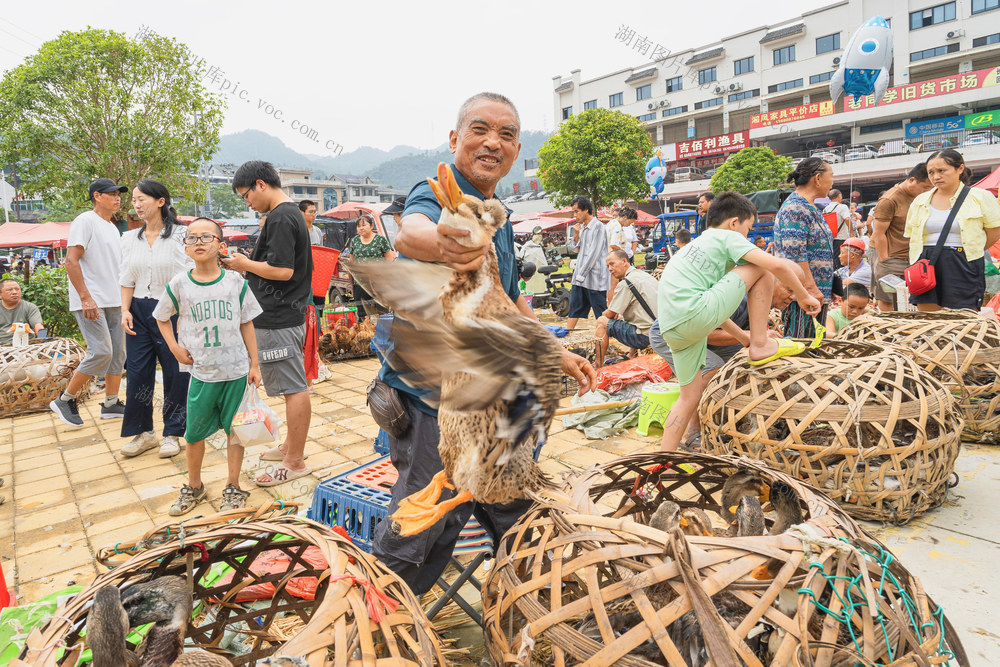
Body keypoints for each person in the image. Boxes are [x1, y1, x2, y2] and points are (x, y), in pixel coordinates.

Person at [372, 91, 596, 596]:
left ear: (517, 150)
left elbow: (511, 299)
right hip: (435, 406)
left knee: (516, 508)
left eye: (507, 134)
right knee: (421, 529)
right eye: (480, 129)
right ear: (455, 139)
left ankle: (530, 606)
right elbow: (412, 234)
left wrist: (553, 350)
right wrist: (453, 246)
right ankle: (373, 623)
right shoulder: (437, 194)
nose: (493, 142)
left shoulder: (502, 215)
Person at [657, 191, 821, 452]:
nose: (747, 235)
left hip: (673, 328)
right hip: (694, 314)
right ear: (734, 223)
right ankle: (760, 344)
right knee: (765, 266)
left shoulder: (696, 248)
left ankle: (662, 462)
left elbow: (711, 312)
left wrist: (741, 337)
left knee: (688, 398)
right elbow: (776, 266)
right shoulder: (727, 237)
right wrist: (804, 295)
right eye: (749, 228)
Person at [153, 218, 263, 515]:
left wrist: (255, 364)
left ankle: (232, 485)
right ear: (185, 247)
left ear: (221, 245)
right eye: (191, 238)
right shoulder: (179, 284)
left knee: (236, 432)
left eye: (206, 237)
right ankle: (194, 485)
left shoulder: (236, 283)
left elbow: (247, 323)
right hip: (202, 373)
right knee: (194, 434)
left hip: (237, 372)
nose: (198, 242)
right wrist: (175, 348)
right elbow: (162, 317)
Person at [224, 161, 313, 487]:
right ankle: (290, 446)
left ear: (260, 184)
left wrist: (244, 263)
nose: (247, 203)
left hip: (278, 317)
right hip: (280, 314)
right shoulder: (287, 215)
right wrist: (246, 265)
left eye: (246, 195)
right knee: (292, 384)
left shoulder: (280, 217)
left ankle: (294, 461)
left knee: (293, 388)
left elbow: (283, 271)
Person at [650, 280, 794, 449]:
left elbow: (750, 340)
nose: (793, 296)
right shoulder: (739, 298)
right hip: (672, 332)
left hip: (702, 337)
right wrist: (756, 335)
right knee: (713, 369)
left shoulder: (762, 301)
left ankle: (723, 419)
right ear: (773, 281)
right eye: (789, 288)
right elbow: (705, 331)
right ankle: (691, 433)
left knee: (741, 362)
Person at [118, 179, 191, 458]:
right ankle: (143, 433)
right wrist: (125, 310)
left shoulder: (181, 236)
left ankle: (173, 432)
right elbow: (126, 278)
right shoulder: (128, 239)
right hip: (137, 311)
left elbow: (190, 275)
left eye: (142, 200)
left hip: (171, 311)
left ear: (160, 201)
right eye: (134, 200)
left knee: (175, 371)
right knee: (137, 373)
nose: (136, 205)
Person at [49, 179, 128, 427]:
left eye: (119, 194)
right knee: (102, 351)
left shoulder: (112, 226)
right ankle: (65, 399)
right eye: (112, 194)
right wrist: (85, 297)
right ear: (97, 196)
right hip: (91, 300)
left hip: (114, 299)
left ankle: (111, 403)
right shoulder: (85, 221)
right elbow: (71, 261)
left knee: (118, 354)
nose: (118, 198)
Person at [904, 149, 1000, 311]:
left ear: (960, 168)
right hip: (926, 261)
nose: (936, 177)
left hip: (964, 260)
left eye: (941, 170)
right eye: (931, 172)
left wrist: (973, 248)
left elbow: (994, 230)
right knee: (929, 317)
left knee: (964, 315)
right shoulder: (920, 201)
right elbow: (911, 235)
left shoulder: (979, 196)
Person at [773, 158, 834, 338]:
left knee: (813, 344)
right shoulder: (796, 208)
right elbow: (795, 255)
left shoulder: (809, 207)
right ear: (817, 178)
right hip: (803, 296)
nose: (832, 182)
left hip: (814, 295)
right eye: (831, 176)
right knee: (801, 345)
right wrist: (809, 288)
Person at [870, 163, 933, 311]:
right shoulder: (890, 200)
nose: (927, 191)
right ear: (911, 180)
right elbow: (878, 233)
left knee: (911, 300)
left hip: (913, 257)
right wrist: (885, 259)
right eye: (925, 187)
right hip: (892, 258)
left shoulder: (921, 197)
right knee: (887, 299)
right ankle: (888, 331)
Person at [596, 249, 658, 360]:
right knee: (633, 319)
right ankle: (631, 354)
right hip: (659, 332)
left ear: (624, 261)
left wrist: (605, 313)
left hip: (645, 336)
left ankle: (598, 364)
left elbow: (610, 314)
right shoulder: (646, 276)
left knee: (602, 321)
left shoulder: (626, 283)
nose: (610, 269)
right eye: (608, 266)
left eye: (612, 264)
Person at [566, 196, 610, 329]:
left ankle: (604, 342)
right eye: (573, 212)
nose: (575, 215)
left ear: (586, 210)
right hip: (580, 278)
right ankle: (567, 337)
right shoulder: (582, 227)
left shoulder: (598, 227)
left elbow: (594, 254)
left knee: (600, 313)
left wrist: (581, 274)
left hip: (595, 279)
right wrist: (576, 234)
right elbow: (575, 249)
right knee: (574, 309)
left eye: (577, 211)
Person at [346, 213, 395, 317]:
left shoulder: (380, 239)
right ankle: (366, 333)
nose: (361, 228)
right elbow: (352, 262)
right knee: (363, 314)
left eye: (364, 225)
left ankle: (382, 332)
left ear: (372, 226)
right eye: (358, 226)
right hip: (360, 284)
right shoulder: (355, 241)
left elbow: (389, 260)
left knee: (382, 312)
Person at [0, 278, 43, 344]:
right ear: (0, 294)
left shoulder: (30, 307)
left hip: (25, 347)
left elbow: (38, 326)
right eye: (9, 290)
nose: (14, 292)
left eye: (17, 289)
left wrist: (42, 342)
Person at [824, 189, 852, 268]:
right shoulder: (842, 207)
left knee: (834, 259)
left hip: (831, 238)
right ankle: (840, 278)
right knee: (841, 261)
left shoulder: (825, 208)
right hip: (841, 238)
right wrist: (852, 233)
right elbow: (847, 219)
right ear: (839, 196)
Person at [517, 230, 548, 294]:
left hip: (539, 270)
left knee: (539, 284)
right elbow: (521, 257)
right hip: (528, 270)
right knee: (529, 285)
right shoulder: (527, 246)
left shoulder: (539, 247)